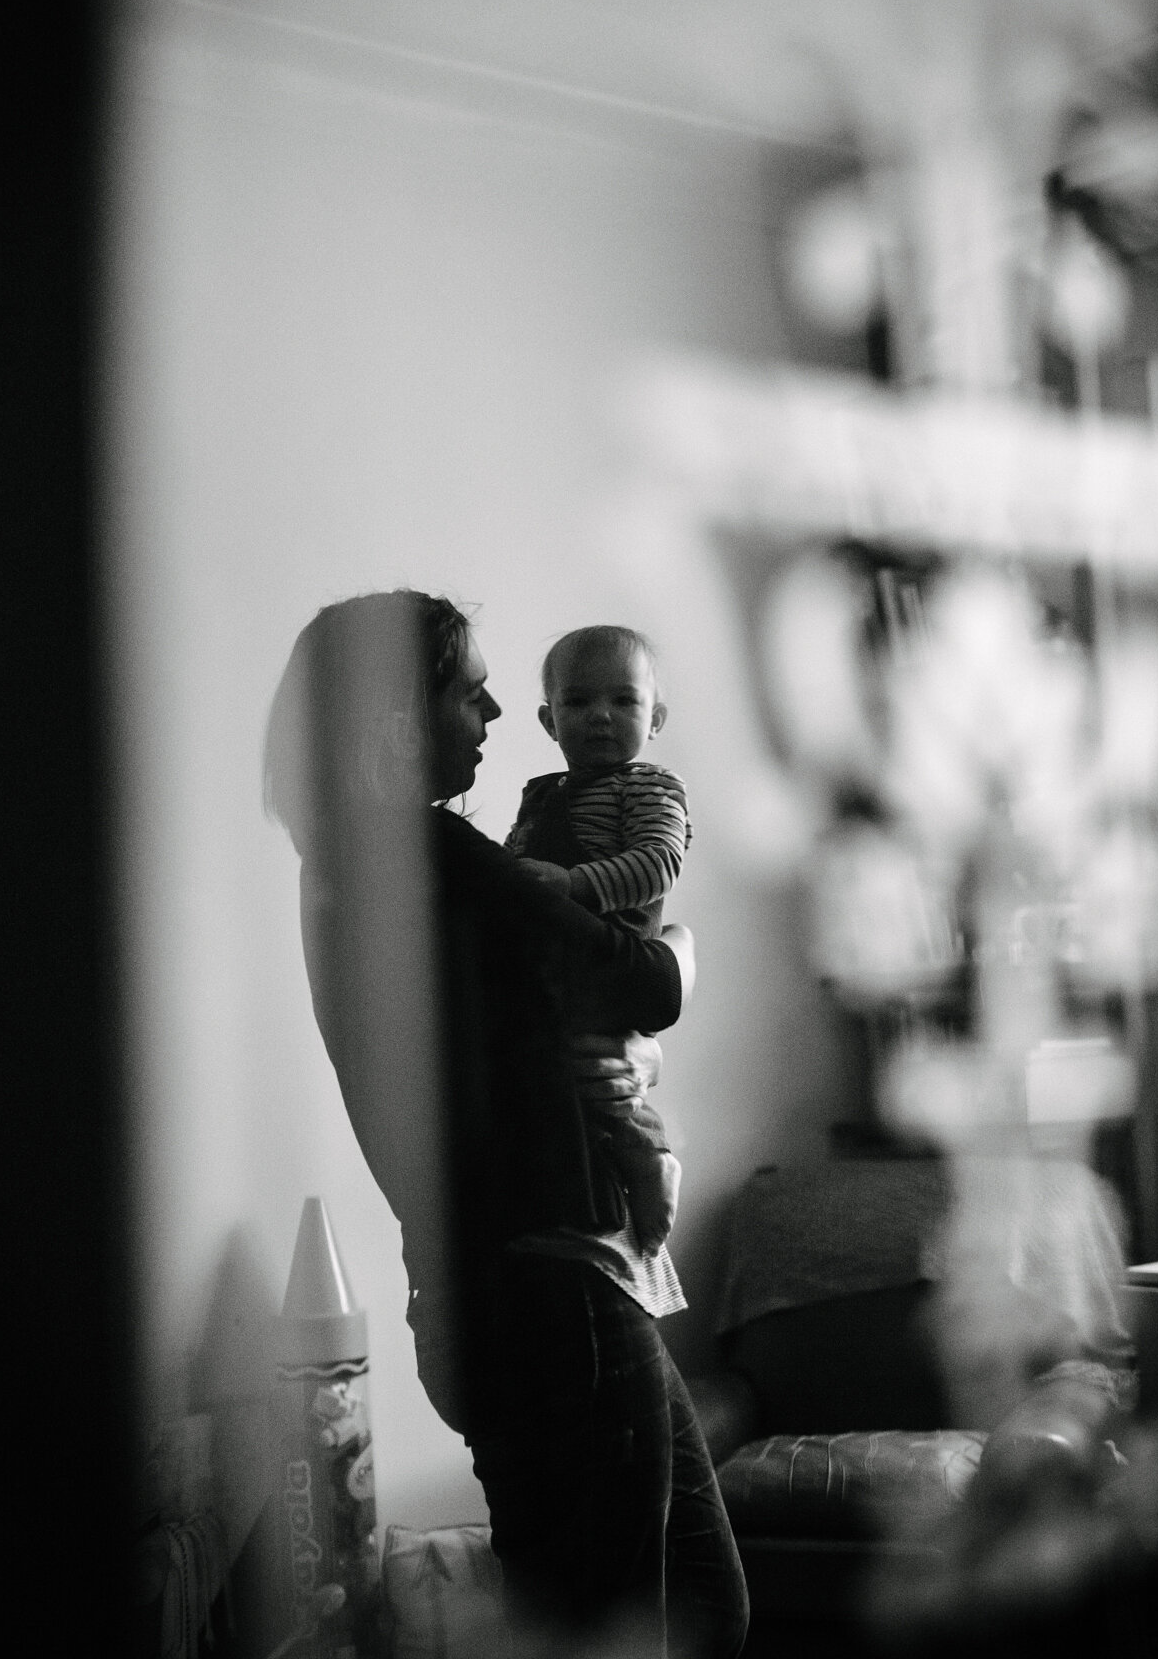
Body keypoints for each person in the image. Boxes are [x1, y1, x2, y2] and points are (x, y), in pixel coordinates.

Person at [264, 590, 748, 1659]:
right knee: (620, 1627)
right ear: (396, 714)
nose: (491, 710)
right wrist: (685, 951)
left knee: (693, 1607)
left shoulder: (345, 869)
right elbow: (640, 982)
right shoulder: (428, 858)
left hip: (496, 1291)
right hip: (551, 1298)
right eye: (467, 686)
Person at [506, 624, 692, 1258]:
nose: (601, 718)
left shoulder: (648, 788)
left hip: (611, 943)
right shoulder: (543, 794)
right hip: (556, 958)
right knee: (577, 1067)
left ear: (656, 715)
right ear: (548, 721)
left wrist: (573, 885)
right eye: (578, 703)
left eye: (624, 701)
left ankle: (652, 1153)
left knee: (603, 1067)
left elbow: (658, 863)